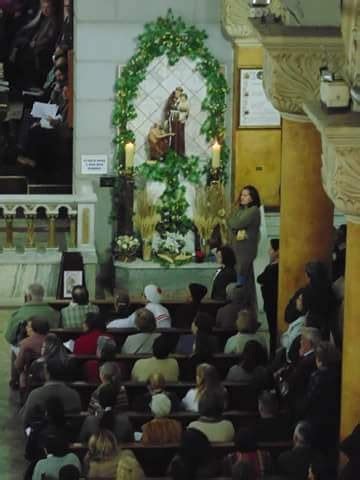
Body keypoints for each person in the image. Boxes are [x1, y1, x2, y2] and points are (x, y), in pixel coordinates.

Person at [296, 342, 341, 449]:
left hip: (316, 423)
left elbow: (309, 401)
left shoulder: (317, 377)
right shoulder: (340, 374)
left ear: (319, 359)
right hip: (334, 421)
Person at [8, 0, 60, 89]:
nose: (45, 10)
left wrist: (34, 44)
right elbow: (29, 29)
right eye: (43, 8)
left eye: (48, 8)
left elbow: (48, 39)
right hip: (32, 45)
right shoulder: (40, 18)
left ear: (53, 8)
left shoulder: (54, 22)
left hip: (41, 51)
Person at [21, 360, 81, 428]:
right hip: (69, 436)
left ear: (47, 373)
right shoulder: (74, 395)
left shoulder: (35, 395)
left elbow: (24, 421)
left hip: (40, 437)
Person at [227, 185, 261, 285]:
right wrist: (232, 222)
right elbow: (230, 221)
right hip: (236, 249)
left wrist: (233, 223)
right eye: (242, 195)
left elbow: (235, 223)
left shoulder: (254, 210)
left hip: (246, 251)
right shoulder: (240, 210)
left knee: (242, 281)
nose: (242, 197)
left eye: (246, 195)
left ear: (252, 197)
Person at [257, 238, 279, 356]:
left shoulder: (272, 268)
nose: (268, 251)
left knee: (273, 332)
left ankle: (273, 356)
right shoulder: (273, 267)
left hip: (272, 304)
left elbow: (260, 279)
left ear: (277, 251)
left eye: (271, 249)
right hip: (272, 303)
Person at [15, 316, 49, 390]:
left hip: (31, 381)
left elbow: (18, 366)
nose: (26, 328)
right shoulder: (54, 340)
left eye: (28, 326)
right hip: (52, 378)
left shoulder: (25, 343)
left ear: (34, 329)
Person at [164, 86, 186, 156]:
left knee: (180, 136)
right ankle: (172, 152)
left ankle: (180, 152)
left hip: (180, 121)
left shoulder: (182, 100)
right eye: (177, 91)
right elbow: (168, 109)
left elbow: (185, 109)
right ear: (175, 91)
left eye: (180, 92)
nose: (178, 93)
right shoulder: (171, 99)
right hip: (173, 120)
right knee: (173, 135)